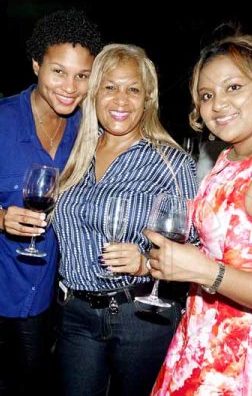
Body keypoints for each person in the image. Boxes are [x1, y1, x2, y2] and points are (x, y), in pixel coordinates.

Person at [146, 29, 252, 395]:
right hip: (202, 339)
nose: (218, 104)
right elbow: (216, 251)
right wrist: (156, 263)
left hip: (250, 360)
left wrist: (203, 270)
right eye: (207, 95)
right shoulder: (229, 156)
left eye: (234, 87)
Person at [0, 9, 102, 395]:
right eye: (58, 71)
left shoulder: (88, 129)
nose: (70, 86)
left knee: (38, 380)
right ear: (36, 65)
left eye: (82, 75)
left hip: (46, 284)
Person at [52, 43, 197, 396]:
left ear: (147, 99)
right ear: (94, 94)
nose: (121, 100)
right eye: (110, 87)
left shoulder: (171, 164)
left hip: (141, 317)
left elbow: (194, 245)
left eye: (133, 89)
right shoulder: (75, 154)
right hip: (75, 314)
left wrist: (147, 262)